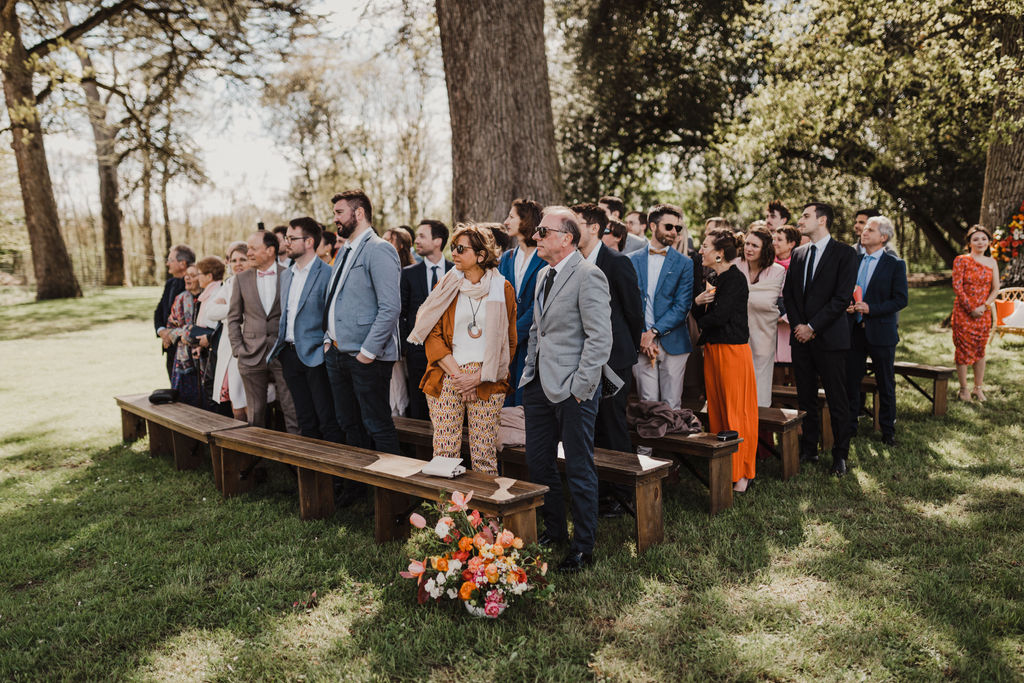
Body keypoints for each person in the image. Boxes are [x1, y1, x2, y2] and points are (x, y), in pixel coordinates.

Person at [521, 206, 619, 573]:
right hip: (538, 386)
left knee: (579, 467)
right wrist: (529, 373)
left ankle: (583, 545)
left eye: (542, 232)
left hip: (574, 389)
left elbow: (599, 338)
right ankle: (554, 530)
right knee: (539, 461)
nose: (536, 237)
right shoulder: (543, 274)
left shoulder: (589, 275)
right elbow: (537, 330)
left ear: (566, 238)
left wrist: (581, 386)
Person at [407, 224, 516, 475]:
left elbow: (509, 343)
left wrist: (477, 377)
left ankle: (487, 515)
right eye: (452, 247)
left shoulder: (503, 288)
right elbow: (431, 334)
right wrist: (459, 378)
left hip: (487, 377)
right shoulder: (446, 285)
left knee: (484, 455)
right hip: (447, 375)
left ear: (480, 255)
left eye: (460, 248)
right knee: (444, 453)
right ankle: (449, 513)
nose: (453, 253)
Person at [323, 189, 403, 465]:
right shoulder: (343, 251)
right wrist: (327, 341)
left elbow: (390, 307)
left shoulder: (380, 249)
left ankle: (392, 496)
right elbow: (335, 299)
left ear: (358, 213)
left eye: (339, 212)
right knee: (349, 424)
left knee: (377, 425)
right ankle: (359, 489)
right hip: (336, 353)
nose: (335, 219)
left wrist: (368, 353)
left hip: (366, 357)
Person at [575, 203, 644, 517]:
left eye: (575, 224)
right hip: (582, 359)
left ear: (593, 228)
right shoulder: (572, 262)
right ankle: (598, 489)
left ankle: (622, 493)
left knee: (613, 425)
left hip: (615, 360)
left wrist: (623, 351)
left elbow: (633, 312)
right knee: (591, 426)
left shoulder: (616, 262)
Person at [782, 203, 858, 476]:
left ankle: (840, 454)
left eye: (806, 216)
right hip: (801, 339)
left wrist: (813, 326)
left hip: (830, 338)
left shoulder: (845, 254)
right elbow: (789, 294)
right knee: (806, 397)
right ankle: (809, 447)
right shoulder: (799, 253)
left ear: (822, 220)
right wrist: (800, 326)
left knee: (837, 397)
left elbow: (841, 298)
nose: (800, 220)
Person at [693, 229, 759, 493]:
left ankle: (743, 471)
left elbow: (719, 318)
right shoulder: (713, 277)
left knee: (737, 411)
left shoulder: (735, 280)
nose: (700, 250)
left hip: (732, 352)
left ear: (719, 254)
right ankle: (724, 467)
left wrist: (699, 322)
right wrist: (697, 303)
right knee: (718, 411)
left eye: (705, 246)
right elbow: (704, 312)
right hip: (713, 350)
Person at [267, 217, 344, 443]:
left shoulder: (327, 274)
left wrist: (326, 347)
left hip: (317, 356)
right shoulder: (286, 274)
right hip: (289, 355)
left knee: (327, 418)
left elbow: (334, 314)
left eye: (292, 238)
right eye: (287, 238)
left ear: (309, 241)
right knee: (304, 419)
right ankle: (313, 476)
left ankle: (335, 476)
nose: (286, 242)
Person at [845, 215, 908, 445]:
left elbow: (901, 300)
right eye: (864, 229)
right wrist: (849, 306)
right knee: (851, 379)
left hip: (881, 331)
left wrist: (871, 308)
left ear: (883, 237)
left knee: (885, 382)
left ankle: (888, 430)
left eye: (870, 230)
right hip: (854, 330)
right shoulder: (854, 260)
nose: (864, 232)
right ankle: (850, 426)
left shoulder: (895, 265)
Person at [227, 231, 299, 432]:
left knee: (291, 409)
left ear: (270, 251)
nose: (248, 252)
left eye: (253, 248)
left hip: (284, 353)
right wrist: (238, 349)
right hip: (250, 354)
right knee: (256, 413)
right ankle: (256, 461)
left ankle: (297, 460)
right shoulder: (241, 279)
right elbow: (233, 319)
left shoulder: (290, 274)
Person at [628, 204, 694, 412]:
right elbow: (629, 304)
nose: (674, 232)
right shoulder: (631, 260)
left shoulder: (685, 263)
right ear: (652, 226)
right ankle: (646, 447)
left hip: (673, 343)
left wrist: (654, 332)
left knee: (671, 404)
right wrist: (642, 335)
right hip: (641, 343)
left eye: (678, 228)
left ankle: (672, 446)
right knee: (647, 402)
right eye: (669, 227)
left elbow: (682, 306)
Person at [401, 219, 454, 420]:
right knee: (418, 405)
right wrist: (407, 346)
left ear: (438, 241)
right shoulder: (408, 274)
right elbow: (401, 312)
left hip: (450, 354)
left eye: (422, 236)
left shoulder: (455, 272)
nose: (417, 241)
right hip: (417, 353)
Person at [497, 198, 545, 406]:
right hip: (506, 345)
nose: (506, 221)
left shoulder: (545, 258)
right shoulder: (506, 258)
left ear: (525, 220)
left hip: (533, 342)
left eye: (511, 216)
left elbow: (540, 303)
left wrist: (514, 333)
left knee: (526, 403)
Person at [737, 227, 786, 407]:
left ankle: (759, 427)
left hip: (764, 332)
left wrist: (749, 298)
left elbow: (771, 302)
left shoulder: (777, 271)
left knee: (760, 382)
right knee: (738, 380)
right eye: (747, 244)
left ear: (765, 249)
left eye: (754, 246)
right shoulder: (736, 265)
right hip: (737, 332)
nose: (748, 249)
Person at [952, 224, 1000, 402]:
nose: (980, 242)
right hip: (964, 312)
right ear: (969, 243)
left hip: (984, 313)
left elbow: (995, 289)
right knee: (963, 350)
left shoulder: (992, 262)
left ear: (988, 242)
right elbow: (957, 286)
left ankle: (978, 389)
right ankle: (964, 389)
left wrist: (984, 306)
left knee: (980, 350)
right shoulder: (961, 260)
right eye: (976, 239)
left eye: (984, 239)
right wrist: (971, 308)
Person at [208, 242, 250, 420]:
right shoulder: (229, 283)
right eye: (234, 260)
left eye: (243, 259)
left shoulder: (255, 281)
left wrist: (227, 310)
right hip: (227, 349)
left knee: (246, 401)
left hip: (248, 346)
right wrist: (236, 309)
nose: (237, 263)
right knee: (234, 400)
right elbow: (211, 312)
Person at [164, 264, 204, 406]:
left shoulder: (207, 298)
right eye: (187, 275)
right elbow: (170, 327)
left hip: (205, 356)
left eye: (192, 275)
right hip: (183, 358)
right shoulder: (180, 299)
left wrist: (191, 334)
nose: (187, 278)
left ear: (202, 278)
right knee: (185, 402)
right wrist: (184, 334)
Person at [155, 245, 193, 380]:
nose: (167, 263)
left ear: (182, 263)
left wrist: (172, 334)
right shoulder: (170, 283)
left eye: (170, 260)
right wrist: (162, 331)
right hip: (169, 347)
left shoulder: (194, 285)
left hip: (187, 349)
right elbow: (159, 311)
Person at [192, 256, 225, 410]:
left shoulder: (218, 292)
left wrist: (208, 338)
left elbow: (217, 322)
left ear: (209, 276)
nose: (197, 278)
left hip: (216, 346)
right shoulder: (206, 294)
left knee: (214, 390)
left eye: (199, 274)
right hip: (205, 346)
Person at [773, 225, 800, 380]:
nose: (775, 242)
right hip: (773, 326)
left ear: (791, 243)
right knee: (777, 374)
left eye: (779, 240)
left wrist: (786, 318)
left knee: (797, 372)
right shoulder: (768, 265)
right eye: (774, 239)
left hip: (792, 326)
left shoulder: (799, 265)